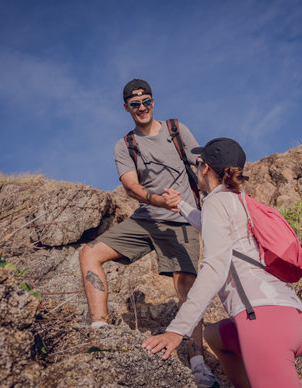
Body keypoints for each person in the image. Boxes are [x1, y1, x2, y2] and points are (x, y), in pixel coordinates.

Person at [78, 79, 219, 388]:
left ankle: (198, 364)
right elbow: (130, 186)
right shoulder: (124, 145)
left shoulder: (175, 129)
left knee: (187, 290)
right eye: (135, 104)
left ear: (153, 102)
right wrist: (156, 200)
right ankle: (100, 333)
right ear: (126, 107)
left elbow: (201, 165)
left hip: (181, 221)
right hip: (146, 218)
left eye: (146, 102)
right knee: (89, 253)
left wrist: (208, 202)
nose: (142, 108)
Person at [142, 138, 302, 388]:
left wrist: (177, 329)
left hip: (263, 322)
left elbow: (214, 268)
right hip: (293, 319)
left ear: (206, 167)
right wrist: (182, 207)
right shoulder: (241, 200)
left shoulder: (216, 202)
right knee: (215, 336)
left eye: (198, 162)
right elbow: (214, 227)